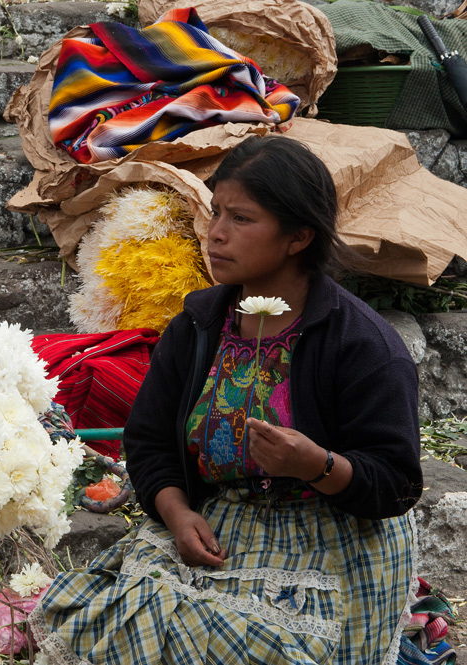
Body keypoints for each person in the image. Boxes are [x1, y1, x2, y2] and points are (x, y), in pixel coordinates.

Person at [29, 135, 423, 664]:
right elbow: (149, 438)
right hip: (222, 523)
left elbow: (395, 484)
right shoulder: (199, 324)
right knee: (126, 617)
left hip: (333, 536)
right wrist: (175, 513)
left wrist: (317, 464)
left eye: (241, 219)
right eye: (216, 213)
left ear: (298, 237)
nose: (215, 234)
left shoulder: (362, 345)